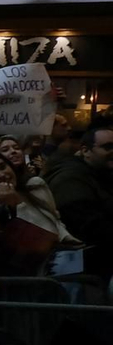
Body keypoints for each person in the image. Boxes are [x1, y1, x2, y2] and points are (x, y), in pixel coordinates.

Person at [43, 118, 113, 294]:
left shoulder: (99, 174)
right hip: (81, 272)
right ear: (85, 150)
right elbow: (90, 227)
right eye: (108, 147)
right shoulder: (70, 180)